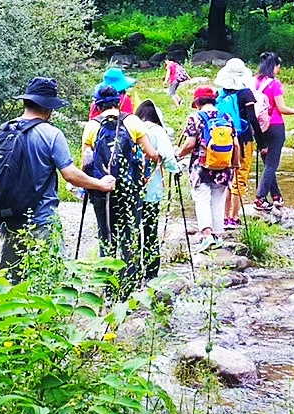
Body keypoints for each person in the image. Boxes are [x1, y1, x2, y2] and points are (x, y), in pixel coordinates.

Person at [0, 77, 117, 281]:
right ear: (48, 108)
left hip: (8, 218)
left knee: (9, 283)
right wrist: (100, 184)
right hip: (42, 220)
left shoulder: (3, 129)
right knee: (50, 279)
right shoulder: (51, 134)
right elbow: (69, 174)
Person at [82, 85, 160, 283]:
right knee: (130, 234)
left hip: (101, 189)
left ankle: (108, 286)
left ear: (97, 105)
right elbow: (151, 153)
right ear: (119, 102)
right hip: (129, 190)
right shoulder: (132, 121)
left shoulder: (92, 125)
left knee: (106, 235)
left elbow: (85, 161)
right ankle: (129, 283)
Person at [177, 87, 234, 250]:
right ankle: (218, 235)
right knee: (218, 201)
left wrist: (179, 154)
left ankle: (207, 236)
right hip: (223, 167)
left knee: (202, 199)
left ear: (197, 102)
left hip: (201, 168)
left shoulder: (195, 117)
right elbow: (234, 143)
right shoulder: (226, 116)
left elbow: (190, 144)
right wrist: (234, 164)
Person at [135, 100, 182, 283]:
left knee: (133, 230)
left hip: (131, 191)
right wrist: (176, 170)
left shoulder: (131, 129)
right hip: (151, 191)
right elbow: (168, 156)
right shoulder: (157, 131)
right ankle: (151, 274)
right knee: (150, 232)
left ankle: (132, 270)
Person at [214, 58, 262, 229]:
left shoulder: (220, 93)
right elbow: (252, 119)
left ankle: (223, 215)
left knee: (227, 177)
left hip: (224, 140)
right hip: (243, 140)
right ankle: (233, 217)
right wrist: (261, 141)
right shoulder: (245, 93)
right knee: (240, 177)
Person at [253, 52, 294, 211]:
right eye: (279, 66)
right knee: (272, 163)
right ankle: (260, 198)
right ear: (275, 66)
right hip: (275, 125)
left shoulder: (254, 82)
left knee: (267, 162)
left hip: (259, 127)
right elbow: (282, 108)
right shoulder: (275, 84)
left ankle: (276, 196)